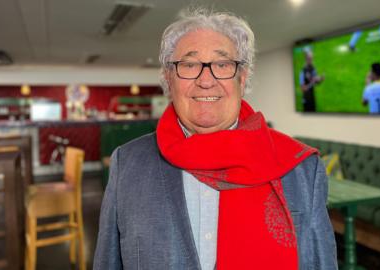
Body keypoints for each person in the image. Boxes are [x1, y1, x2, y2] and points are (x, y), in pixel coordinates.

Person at [93, 8, 338, 270]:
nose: (206, 80)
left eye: (222, 65)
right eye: (189, 65)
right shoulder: (128, 164)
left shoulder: (301, 170)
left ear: (242, 79)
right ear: (168, 78)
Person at [299, 48, 324, 112]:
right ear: (306, 59)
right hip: (306, 98)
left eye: (312, 58)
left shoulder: (313, 68)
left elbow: (316, 82)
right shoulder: (302, 71)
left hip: (312, 97)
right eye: (310, 59)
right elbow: (303, 88)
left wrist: (320, 79)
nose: (311, 60)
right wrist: (313, 82)